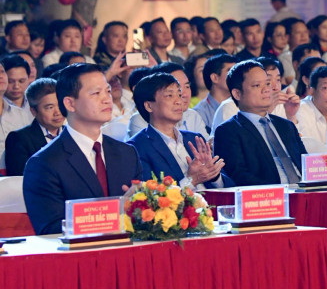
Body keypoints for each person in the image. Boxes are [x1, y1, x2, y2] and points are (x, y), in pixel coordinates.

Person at [23, 64, 143, 235]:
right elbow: (49, 229)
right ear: (70, 104)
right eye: (96, 93)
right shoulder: (44, 163)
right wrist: (115, 213)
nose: (106, 99)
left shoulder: (127, 153)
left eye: (108, 91)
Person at [128, 72, 229, 190]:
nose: (178, 101)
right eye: (169, 96)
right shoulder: (136, 148)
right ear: (149, 106)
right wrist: (191, 180)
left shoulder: (195, 139)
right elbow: (151, 198)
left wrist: (214, 176)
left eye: (179, 95)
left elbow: (230, 186)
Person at [213, 60, 307, 186]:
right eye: (257, 85)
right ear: (237, 93)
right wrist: (278, 191)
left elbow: (306, 164)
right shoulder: (227, 132)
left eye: (267, 84)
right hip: (268, 198)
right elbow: (238, 176)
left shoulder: (286, 125)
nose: (267, 90)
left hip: (304, 192)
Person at [126, 62, 209, 140]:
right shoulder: (139, 121)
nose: (184, 95)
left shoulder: (193, 115)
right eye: (170, 94)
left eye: (187, 86)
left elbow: (206, 146)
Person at [5, 78, 64, 177]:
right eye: (50, 107)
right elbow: (20, 178)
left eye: (59, 105)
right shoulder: (19, 139)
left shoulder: (72, 132)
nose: (57, 112)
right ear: (33, 111)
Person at [193, 53, 236, 133]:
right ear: (215, 78)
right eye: (230, 71)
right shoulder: (199, 113)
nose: (236, 75)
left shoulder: (241, 106)